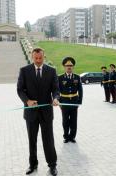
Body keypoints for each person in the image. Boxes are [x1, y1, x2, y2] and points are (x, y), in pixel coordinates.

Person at [17, 48, 59, 176]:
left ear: (44, 57)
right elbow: (20, 90)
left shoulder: (51, 71)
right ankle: (33, 165)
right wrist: (27, 101)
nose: (39, 61)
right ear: (32, 57)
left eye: (41, 58)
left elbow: (56, 89)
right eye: (36, 58)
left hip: (46, 112)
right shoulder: (24, 71)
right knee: (32, 140)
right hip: (31, 113)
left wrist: (56, 98)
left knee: (48, 140)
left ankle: (52, 165)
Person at [58, 57, 83, 143]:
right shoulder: (60, 78)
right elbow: (57, 91)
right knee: (65, 121)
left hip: (74, 102)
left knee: (73, 121)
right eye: (67, 65)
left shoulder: (77, 77)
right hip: (64, 102)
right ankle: (66, 136)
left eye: (71, 65)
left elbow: (80, 90)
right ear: (64, 67)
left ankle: (72, 137)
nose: (69, 67)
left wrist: (79, 101)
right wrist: (58, 101)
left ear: (73, 67)